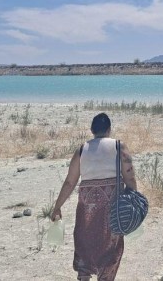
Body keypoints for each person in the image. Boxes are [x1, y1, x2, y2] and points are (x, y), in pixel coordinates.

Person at [51, 113, 137, 281]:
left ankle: (84, 276)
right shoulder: (120, 147)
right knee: (111, 248)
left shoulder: (82, 150)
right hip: (112, 210)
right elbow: (130, 177)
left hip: (86, 210)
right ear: (109, 130)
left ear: (92, 130)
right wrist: (132, 203)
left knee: (85, 244)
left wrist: (57, 206)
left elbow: (70, 182)